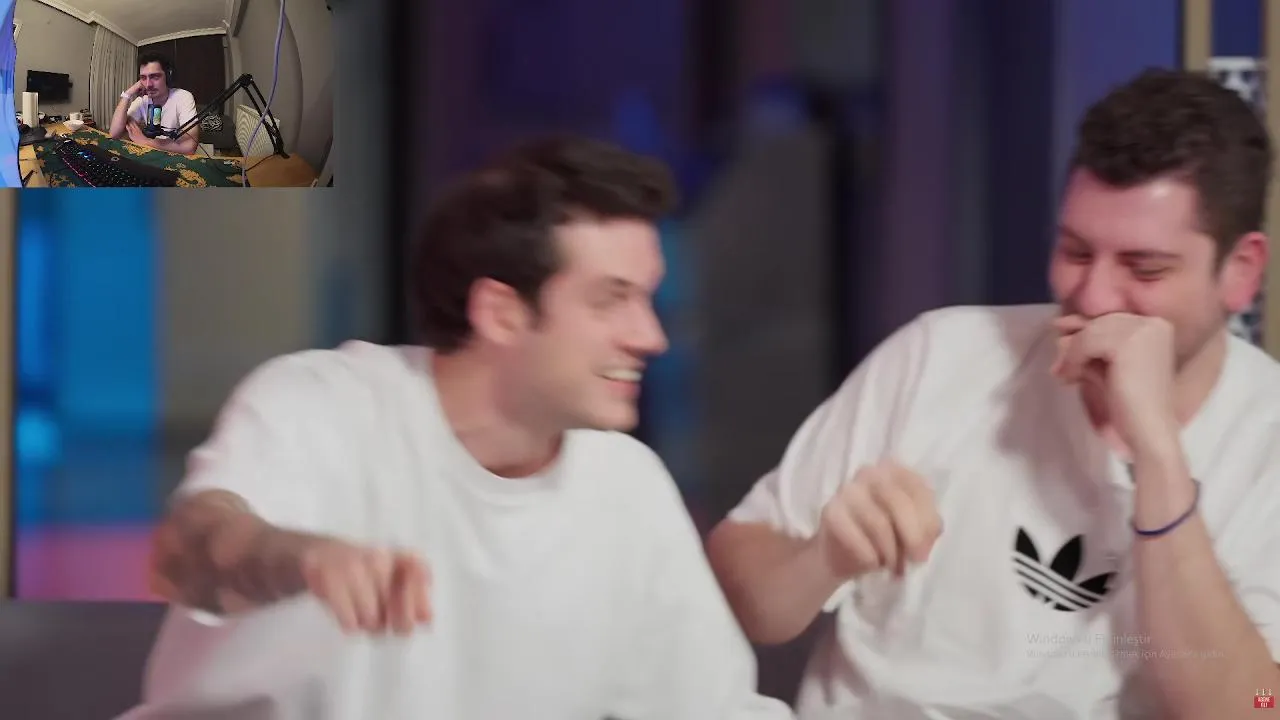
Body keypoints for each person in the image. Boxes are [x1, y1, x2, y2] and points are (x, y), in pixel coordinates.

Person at [117, 136, 791, 720]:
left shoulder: (627, 487)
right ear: (501, 312)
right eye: (611, 300)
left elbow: (714, 707)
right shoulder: (321, 405)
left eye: (647, 299)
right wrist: (304, 560)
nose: (651, 336)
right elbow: (188, 554)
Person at [707, 68, 1280, 718]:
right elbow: (739, 591)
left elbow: (1257, 707)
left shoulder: (1265, 439)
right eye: (1076, 252)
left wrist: (1158, 454)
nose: (1093, 296)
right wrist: (822, 559)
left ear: (1240, 273)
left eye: (1144, 268)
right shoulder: (939, 355)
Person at [108, 52, 199, 155]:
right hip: (152, 153)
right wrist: (128, 94)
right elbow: (114, 134)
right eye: (143, 78)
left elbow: (189, 147)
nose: (148, 85)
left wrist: (145, 141)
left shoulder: (183, 97)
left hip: (176, 157)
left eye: (155, 77)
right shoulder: (142, 100)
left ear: (168, 76)